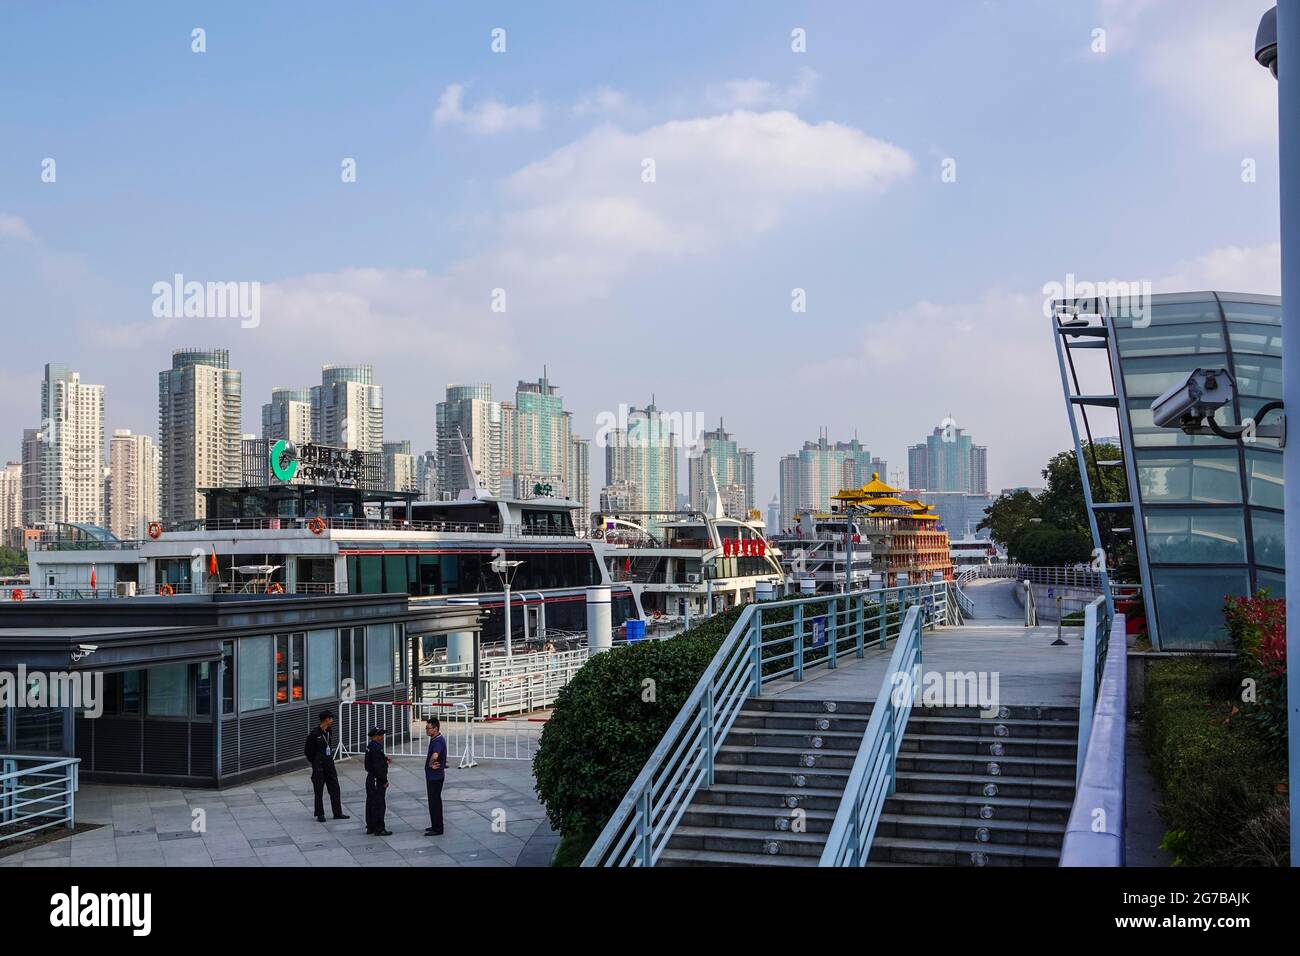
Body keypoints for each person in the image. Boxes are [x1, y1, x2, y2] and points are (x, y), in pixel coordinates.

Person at [305, 710, 350, 823]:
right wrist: (316, 761)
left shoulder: (329, 731)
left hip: (329, 765)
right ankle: (320, 813)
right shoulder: (314, 734)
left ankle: (337, 812)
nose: (332, 721)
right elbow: (308, 751)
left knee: (335, 788)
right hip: (319, 766)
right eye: (331, 718)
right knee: (319, 790)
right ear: (326, 719)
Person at [363, 726, 392, 836]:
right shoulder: (376, 748)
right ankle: (379, 828)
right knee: (379, 803)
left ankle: (370, 826)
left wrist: (384, 759)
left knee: (371, 802)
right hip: (376, 780)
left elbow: (371, 762)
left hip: (370, 778)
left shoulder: (371, 746)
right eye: (380, 735)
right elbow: (378, 767)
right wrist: (384, 781)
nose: (382, 737)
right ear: (375, 737)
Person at [424, 716, 447, 836]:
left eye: (429, 728)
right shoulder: (437, 739)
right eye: (426, 728)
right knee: (434, 802)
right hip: (435, 776)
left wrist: (430, 764)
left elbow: (435, 755)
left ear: (436, 728)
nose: (427, 730)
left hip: (435, 777)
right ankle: (435, 825)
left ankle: (437, 828)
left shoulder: (437, 741)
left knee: (434, 802)